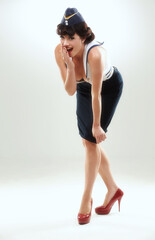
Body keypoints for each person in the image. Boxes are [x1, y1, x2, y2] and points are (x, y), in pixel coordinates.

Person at [54, 7, 124, 225]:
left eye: (71, 37)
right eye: (63, 36)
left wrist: (96, 125)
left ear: (83, 37)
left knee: (91, 141)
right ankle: (113, 189)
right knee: (89, 143)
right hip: (83, 88)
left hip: (107, 88)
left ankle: (86, 199)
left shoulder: (95, 55)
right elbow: (70, 90)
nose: (65, 42)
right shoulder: (60, 51)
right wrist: (68, 63)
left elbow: (97, 94)